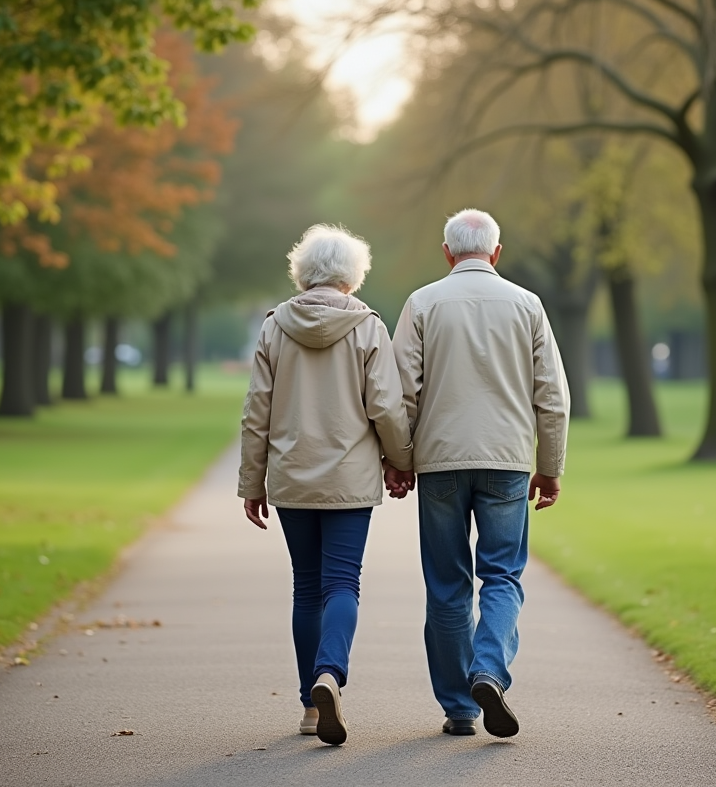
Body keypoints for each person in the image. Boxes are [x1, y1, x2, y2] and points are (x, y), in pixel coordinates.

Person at [390, 208, 570, 738]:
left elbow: (401, 392)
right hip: (507, 460)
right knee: (503, 575)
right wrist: (551, 468)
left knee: (447, 584)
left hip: (441, 460)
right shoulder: (527, 305)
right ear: (496, 252)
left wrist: (399, 462)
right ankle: (488, 669)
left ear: (448, 252)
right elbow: (552, 398)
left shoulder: (422, 303)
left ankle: (459, 708)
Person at [238, 224, 414, 746]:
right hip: (349, 479)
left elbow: (257, 412)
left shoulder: (275, 327)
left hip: (292, 476)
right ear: (352, 276)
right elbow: (385, 405)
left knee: (305, 586)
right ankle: (330, 675)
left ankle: (310, 709)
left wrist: (253, 482)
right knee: (342, 582)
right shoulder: (368, 327)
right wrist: (400, 460)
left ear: (303, 271)